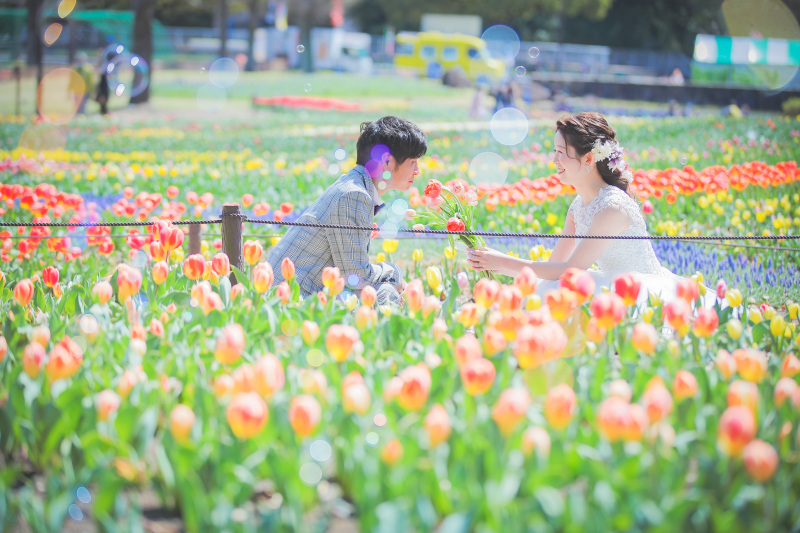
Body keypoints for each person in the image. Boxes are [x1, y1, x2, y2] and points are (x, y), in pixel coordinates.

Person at [467, 112, 700, 304]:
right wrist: (498, 265)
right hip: (611, 286)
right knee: (551, 290)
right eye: (554, 152)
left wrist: (503, 262)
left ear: (588, 160)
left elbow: (571, 269)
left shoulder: (613, 207)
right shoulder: (579, 206)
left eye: (561, 153)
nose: (554, 161)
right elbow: (554, 266)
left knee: (568, 291)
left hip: (641, 294)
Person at [267, 116, 427, 306]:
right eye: (413, 162)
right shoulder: (353, 195)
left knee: (380, 293)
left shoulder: (355, 186)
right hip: (290, 301)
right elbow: (356, 275)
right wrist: (394, 273)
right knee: (385, 291)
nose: (417, 170)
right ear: (386, 161)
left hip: (296, 294)